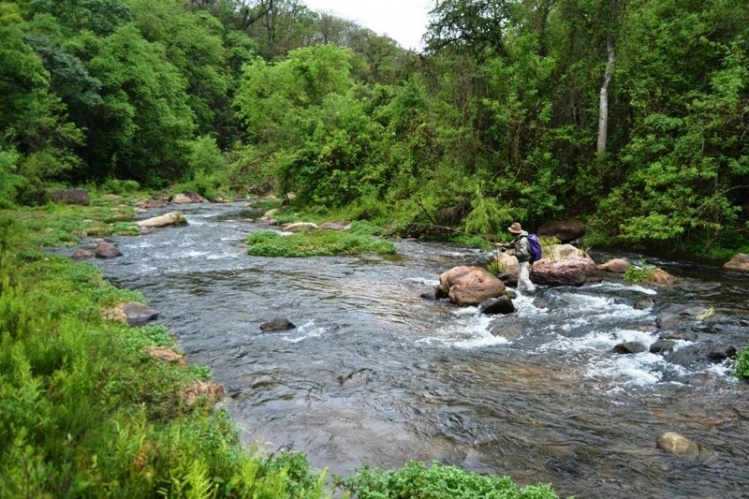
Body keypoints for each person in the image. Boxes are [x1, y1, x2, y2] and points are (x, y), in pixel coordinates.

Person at [495, 222, 536, 293]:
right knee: (520, 278)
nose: (510, 232)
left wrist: (513, 253)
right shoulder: (518, 237)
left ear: (515, 232)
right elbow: (511, 245)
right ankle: (519, 292)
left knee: (524, 277)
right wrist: (502, 245)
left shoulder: (523, 240)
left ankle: (533, 291)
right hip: (522, 261)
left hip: (527, 261)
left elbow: (524, 253)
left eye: (511, 231)